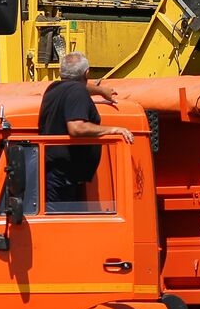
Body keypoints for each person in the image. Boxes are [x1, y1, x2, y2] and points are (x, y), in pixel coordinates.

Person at [38, 52, 134, 208]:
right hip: (63, 178)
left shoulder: (53, 89)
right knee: (63, 226)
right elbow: (77, 127)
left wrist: (101, 90)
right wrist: (113, 130)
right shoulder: (77, 92)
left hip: (53, 172)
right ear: (87, 73)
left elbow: (77, 87)